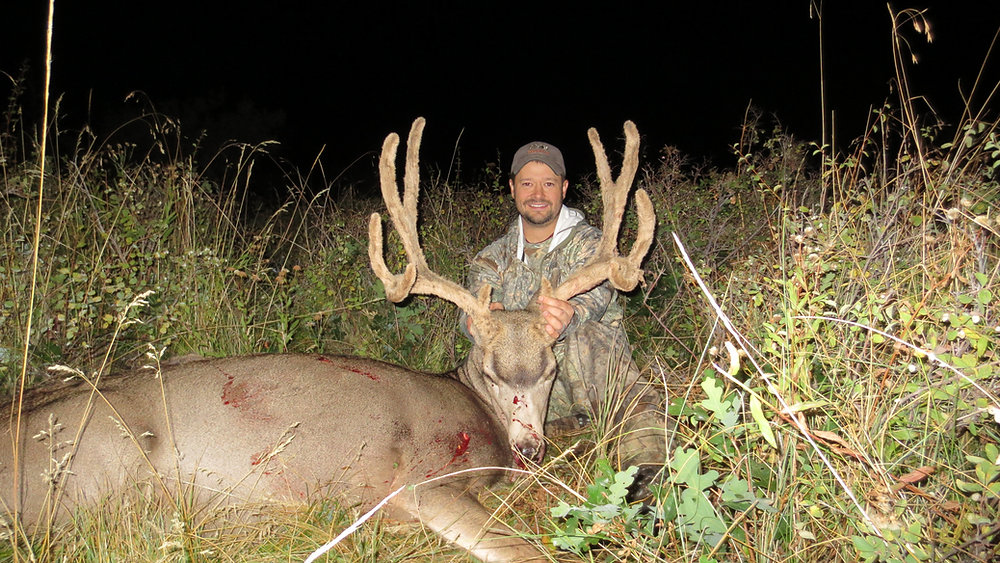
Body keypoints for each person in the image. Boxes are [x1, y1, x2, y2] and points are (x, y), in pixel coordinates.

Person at [459, 140, 666, 495]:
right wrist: (475, 322)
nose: (537, 193)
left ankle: (648, 469)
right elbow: (470, 314)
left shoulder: (592, 245)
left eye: (549, 183)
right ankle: (545, 439)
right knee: (479, 360)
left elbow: (600, 292)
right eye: (527, 183)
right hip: (529, 388)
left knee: (591, 336)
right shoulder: (491, 258)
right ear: (512, 188)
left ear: (564, 188)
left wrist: (571, 312)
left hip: (588, 375)